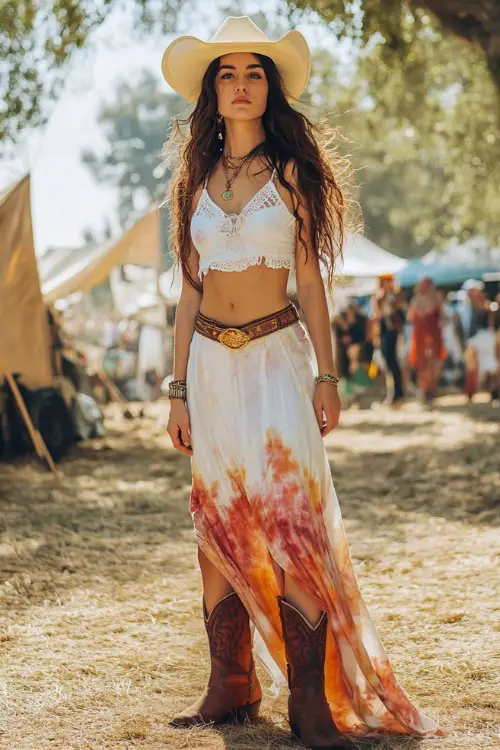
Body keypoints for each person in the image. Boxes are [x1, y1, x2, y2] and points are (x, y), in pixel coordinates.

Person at [162, 15, 443, 746]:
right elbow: (189, 291)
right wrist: (175, 386)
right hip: (209, 365)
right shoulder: (194, 179)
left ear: (270, 87)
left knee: (290, 516)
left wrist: (328, 374)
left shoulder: (291, 172)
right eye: (228, 73)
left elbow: (312, 283)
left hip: (276, 355)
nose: (242, 85)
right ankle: (231, 684)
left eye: (254, 72)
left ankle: (311, 701)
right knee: (217, 515)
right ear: (212, 91)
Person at [458, 279, 499, 403]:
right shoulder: (465, 306)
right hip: (474, 340)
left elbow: (491, 321)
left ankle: (494, 391)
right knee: (473, 367)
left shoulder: (485, 305)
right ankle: (471, 392)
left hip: (485, 339)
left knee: (491, 366)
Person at [407, 277, 446, 406]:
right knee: (422, 364)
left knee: (434, 363)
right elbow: (410, 318)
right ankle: (425, 392)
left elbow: (441, 315)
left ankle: (431, 390)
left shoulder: (436, 298)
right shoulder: (416, 300)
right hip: (421, 336)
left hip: (433, 334)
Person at [371, 274, 406, 407]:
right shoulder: (380, 296)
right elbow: (377, 313)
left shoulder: (396, 295)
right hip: (384, 330)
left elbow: (400, 310)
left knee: (393, 363)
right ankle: (394, 394)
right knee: (388, 363)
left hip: (392, 331)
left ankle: (398, 394)